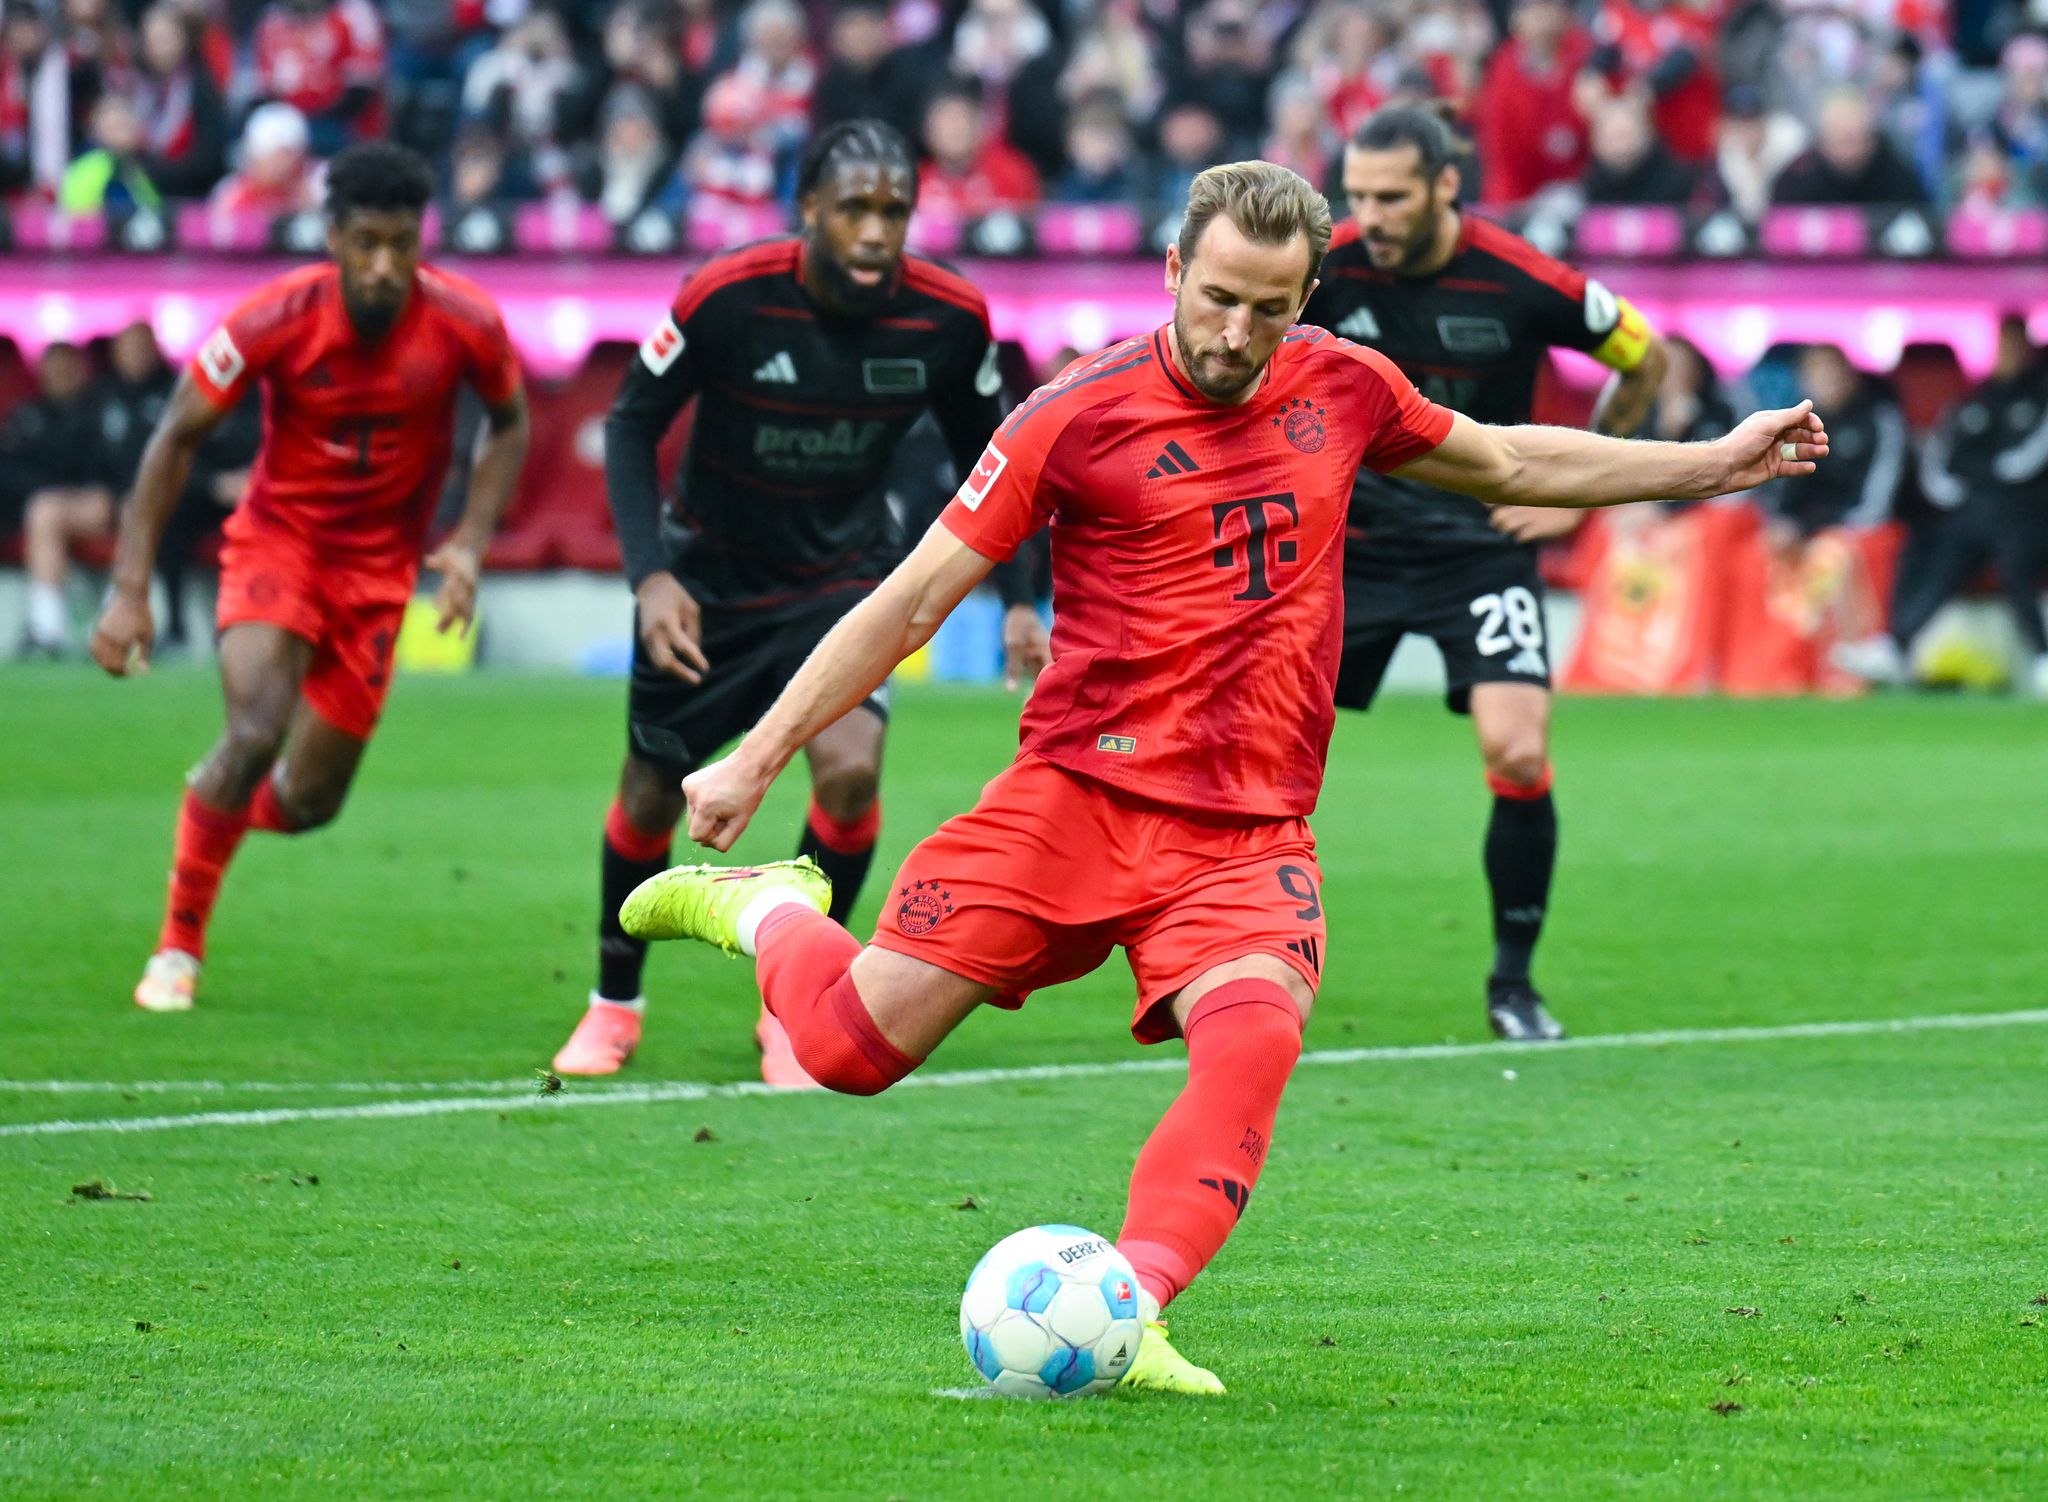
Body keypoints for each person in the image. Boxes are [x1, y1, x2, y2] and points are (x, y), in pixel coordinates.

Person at [616, 160, 1825, 1393]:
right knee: (844, 1050)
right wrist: (759, 752)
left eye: (1271, 307)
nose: (1238, 333)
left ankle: (1126, 1309)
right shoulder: (1069, 415)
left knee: (1252, 1036)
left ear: (1307, 298)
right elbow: (915, 597)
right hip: (1074, 797)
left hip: (1246, 833)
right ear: (1173, 272)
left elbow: (1506, 460)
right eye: (1219, 299)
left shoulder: (1344, 387)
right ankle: (769, 904)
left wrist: (1712, 462)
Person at [550, 120, 1050, 1085]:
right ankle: (615, 1002)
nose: (875, 231)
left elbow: (997, 463)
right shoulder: (728, 295)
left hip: (843, 580)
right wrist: (650, 575)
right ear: (808, 210)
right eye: (854, 209)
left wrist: (1024, 598)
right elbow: (630, 422)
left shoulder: (947, 318)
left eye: (893, 211)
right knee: (653, 790)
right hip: (706, 582)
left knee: (853, 775)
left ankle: (792, 1004)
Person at [87, 142, 530, 1012]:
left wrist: (472, 541)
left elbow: (510, 423)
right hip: (278, 548)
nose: (384, 264)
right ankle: (177, 946)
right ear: (330, 235)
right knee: (254, 731)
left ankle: (206, 816)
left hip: (379, 573)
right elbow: (173, 437)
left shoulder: (465, 322)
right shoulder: (272, 319)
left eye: (402, 243)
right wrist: (129, 587)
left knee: (311, 799)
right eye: (365, 241)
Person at [1300, 105, 1669, 1043]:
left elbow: (1645, 354)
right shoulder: (1329, 267)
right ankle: (1227, 954)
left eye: (1391, 196)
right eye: (1359, 195)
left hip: (1480, 543)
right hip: (1357, 546)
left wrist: (1575, 494)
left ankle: (1513, 984)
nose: (1370, 215)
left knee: (1517, 749)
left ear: (1445, 186)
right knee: (1268, 752)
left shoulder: (1524, 278)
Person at [1833, 313, 2048, 697]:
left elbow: (2026, 460)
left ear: (2028, 350)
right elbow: (1941, 460)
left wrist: (1983, 475)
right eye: (2002, 345)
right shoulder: (1973, 401)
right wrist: (1967, 487)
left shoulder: (2040, 395)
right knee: (1928, 548)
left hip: (2026, 511)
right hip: (1972, 511)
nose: (2008, 354)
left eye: (2016, 345)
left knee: (2016, 557)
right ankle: (1898, 645)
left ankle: (2041, 657)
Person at [8, 341, 113, 658]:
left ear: (82, 370)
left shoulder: (102, 411)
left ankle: (58, 625)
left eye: (68, 367)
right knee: (44, 511)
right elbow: (10, 469)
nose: (61, 374)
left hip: (103, 504)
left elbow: (117, 463)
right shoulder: (27, 415)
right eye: (54, 367)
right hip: (45, 508)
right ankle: (48, 628)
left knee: (49, 510)